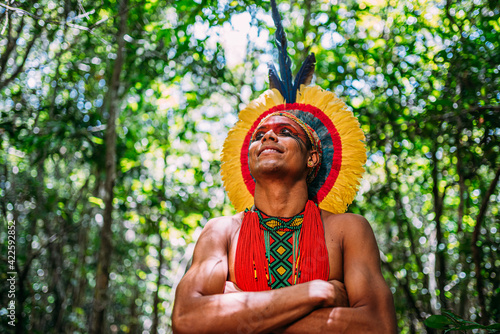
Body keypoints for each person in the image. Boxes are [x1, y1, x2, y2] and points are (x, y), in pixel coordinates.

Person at [172, 1, 396, 332]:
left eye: (285, 132)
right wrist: (317, 292)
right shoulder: (221, 231)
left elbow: (377, 325)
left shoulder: (349, 230)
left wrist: (239, 309)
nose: (268, 137)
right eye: (259, 134)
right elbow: (188, 319)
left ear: (312, 157)